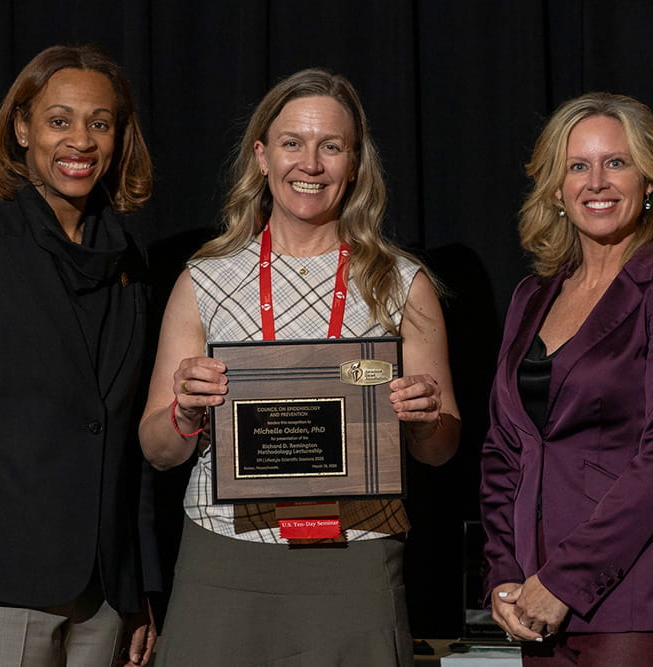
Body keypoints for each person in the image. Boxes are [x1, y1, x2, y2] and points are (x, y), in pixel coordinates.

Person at [139, 68, 460, 665]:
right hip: (225, 558)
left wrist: (421, 418)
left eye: (331, 146)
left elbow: (440, 448)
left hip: (356, 558)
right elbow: (158, 450)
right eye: (292, 143)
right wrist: (183, 409)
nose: (310, 164)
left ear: (355, 162)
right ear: (261, 155)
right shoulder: (204, 281)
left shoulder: (403, 283)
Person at [0, 44, 159, 667]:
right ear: (22, 128)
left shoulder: (130, 261)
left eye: (100, 123)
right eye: (59, 119)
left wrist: (143, 583)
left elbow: (131, 438)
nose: (81, 140)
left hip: (106, 599)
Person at [480, 92, 653, 665]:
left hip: (629, 595)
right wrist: (504, 574)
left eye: (617, 162)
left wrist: (564, 581)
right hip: (530, 600)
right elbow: (502, 448)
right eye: (578, 165)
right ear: (557, 189)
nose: (598, 181)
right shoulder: (531, 296)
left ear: (650, 182)